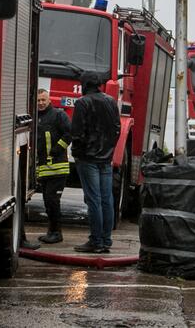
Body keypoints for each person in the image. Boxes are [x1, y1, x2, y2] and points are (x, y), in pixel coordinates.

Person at [70, 71, 120, 253]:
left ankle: (96, 241)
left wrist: (77, 152)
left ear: (84, 85)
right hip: (105, 158)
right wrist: (109, 150)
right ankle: (106, 240)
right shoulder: (110, 101)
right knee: (107, 199)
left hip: (87, 158)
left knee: (94, 200)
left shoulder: (83, 103)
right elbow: (116, 129)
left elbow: (77, 132)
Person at [35, 89, 71, 244]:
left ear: (49, 100)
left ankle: (56, 233)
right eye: (38, 100)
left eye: (44, 100)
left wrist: (57, 149)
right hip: (44, 169)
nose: (41, 103)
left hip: (58, 167)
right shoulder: (36, 117)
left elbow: (69, 134)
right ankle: (52, 232)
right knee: (47, 201)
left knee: (52, 200)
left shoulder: (59, 115)